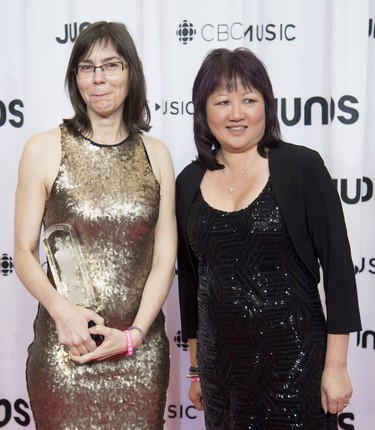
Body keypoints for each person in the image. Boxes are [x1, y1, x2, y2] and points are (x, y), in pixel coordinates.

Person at [176, 47, 361, 429]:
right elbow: (193, 284)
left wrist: (337, 366)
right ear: (203, 110)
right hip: (222, 373)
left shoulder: (301, 167)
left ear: (267, 106)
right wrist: (195, 369)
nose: (236, 113)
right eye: (222, 101)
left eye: (249, 99)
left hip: (296, 364)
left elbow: (340, 270)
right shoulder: (188, 182)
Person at [14, 21, 176, 430]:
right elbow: (23, 251)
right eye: (86, 67)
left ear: (130, 73)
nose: (99, 78)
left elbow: (163, 258)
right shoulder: (44, 147)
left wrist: (134, 336)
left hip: (138, 353)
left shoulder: (155, 154)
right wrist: (62, 312)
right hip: (67, 351)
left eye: (111, 65)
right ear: (75, 79)